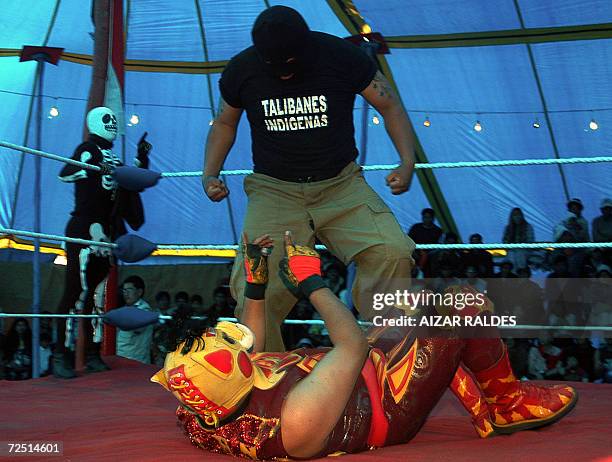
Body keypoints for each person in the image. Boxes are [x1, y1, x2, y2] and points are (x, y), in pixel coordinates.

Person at [152, 233, 577, 459]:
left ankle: (476, 395)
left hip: (358, 373)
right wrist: (311, 282)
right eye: (222, 345)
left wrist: (257, 283)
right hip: (386, 402)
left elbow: (253, 351)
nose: (231, 335)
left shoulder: (201, 406)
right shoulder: (294, 423)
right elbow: (350, 347)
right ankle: (505, 403)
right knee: (464, 305)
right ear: (231, 373)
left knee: (412, 307)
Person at [202, 6, 416, 350]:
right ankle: (268, 378)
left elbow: (389, 104)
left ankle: (387, 355)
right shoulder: (241, 69)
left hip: (341, 184)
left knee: (392, 251)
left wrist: (408, 162)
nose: (285, 75)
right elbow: (225, 122)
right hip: (274, 190)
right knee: (252, 285)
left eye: (291, 66)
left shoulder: (341, 56)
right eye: (276, 68)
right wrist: (209, 173)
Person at [54, 106, 152, 378]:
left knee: (97, 296)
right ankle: (61, 353)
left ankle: (94, 352)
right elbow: (65, 173)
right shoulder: (88, 149)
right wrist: (92, 167)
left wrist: (142, 159)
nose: (112, 123)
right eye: (106, 119)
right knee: (76, 294)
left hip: (107, 234)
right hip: (85, 228)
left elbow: (134, 183)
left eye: (113, 119)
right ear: (95, 122)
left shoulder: (115, 159)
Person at [116, 276, 156, 364]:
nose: (126, 293)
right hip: (121, 356)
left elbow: (137, 326)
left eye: (129, 290)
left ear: (139, 292)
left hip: (136, 360)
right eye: (124, 290)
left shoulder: (144, 309)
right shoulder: (125, 308)